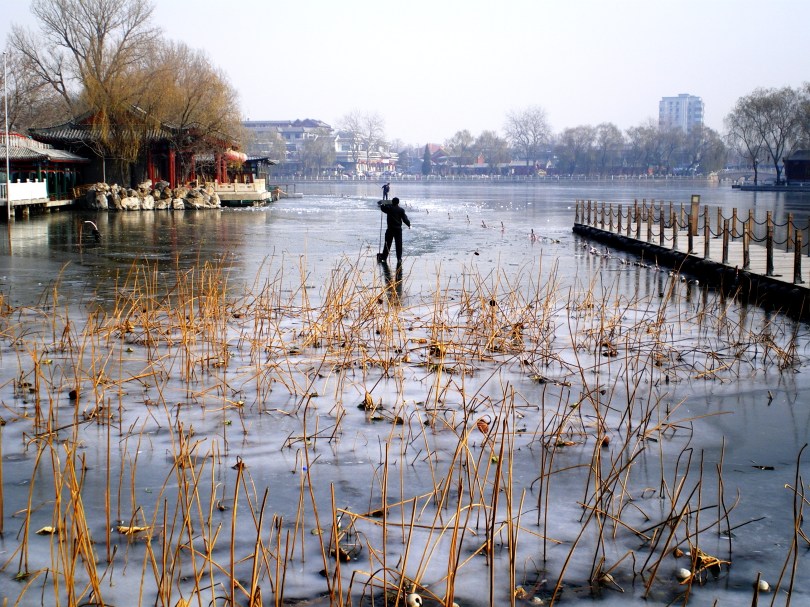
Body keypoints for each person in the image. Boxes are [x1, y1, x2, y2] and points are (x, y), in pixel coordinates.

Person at [376, 197, 411, 263]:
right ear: (398, 203)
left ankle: (384, 257)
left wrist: (386, 203)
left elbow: (382, 207)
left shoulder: (389, 209)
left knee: (387, 244)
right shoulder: (401, 210)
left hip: (390, 229)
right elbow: (405, 219)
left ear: (392, 202)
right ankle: (399, 259)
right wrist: (409, 225)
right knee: (399, 244)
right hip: (398, 230)